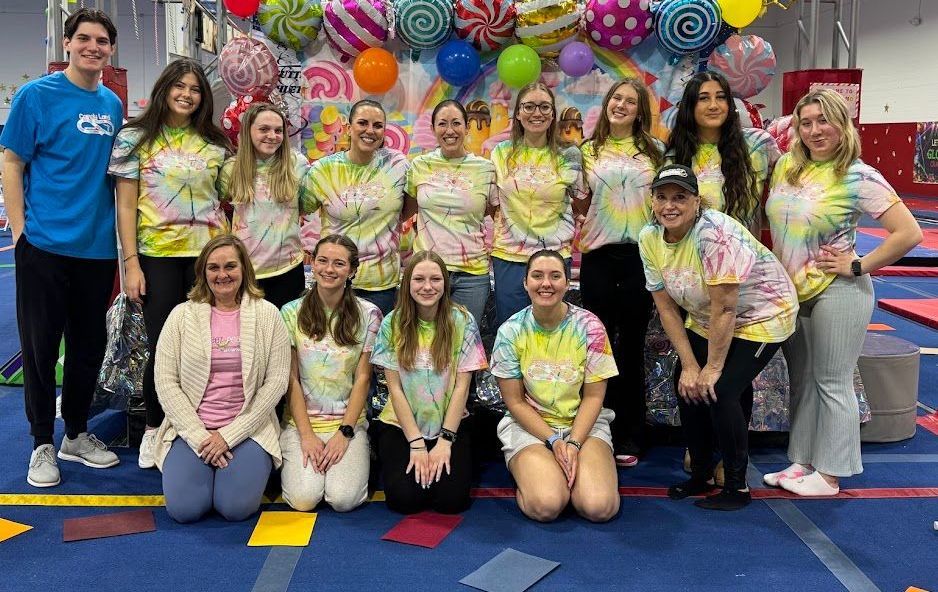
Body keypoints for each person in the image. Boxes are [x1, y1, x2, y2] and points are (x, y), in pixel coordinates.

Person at [764, 90, 922, 496]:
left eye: (823, 121)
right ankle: (802, 461)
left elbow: (909, 233)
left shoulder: (858, 175)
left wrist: (858, 264)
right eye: (806, 122)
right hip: (795, 293)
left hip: (840, 289)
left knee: (833, 381)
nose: (814, 130)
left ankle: (831, 474)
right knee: (802, 380)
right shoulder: (787, 167)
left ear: (842, 124)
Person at [1, 8, 123, 488]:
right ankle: (41, 443)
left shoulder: (113, 105)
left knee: (89, 347)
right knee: (39, 347)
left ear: (110, 50)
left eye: (102, 41)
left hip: (96, 249)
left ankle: (75, 432)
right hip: (44, 246)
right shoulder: (37, 96)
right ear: (67, 44)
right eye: (85, 39)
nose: (94, 47)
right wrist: (20, 233)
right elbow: (12, 162)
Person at [638, 164, 799, 510]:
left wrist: (711, 367)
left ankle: (737, 487)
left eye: (680, 197)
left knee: (721, 389)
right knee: (687, 386)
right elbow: (667, 309)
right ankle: (701, 473)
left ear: (697, 201)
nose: (670, 205)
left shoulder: (713, 234)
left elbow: (726, 309)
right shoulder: (649, 238)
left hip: (763, 313)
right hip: (705, 314)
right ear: (651, 200)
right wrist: (690, 365)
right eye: (662, 197)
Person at [110, 58, 231, 469]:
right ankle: (154, 427)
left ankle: (197, 424)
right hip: (157, 255)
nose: (187, 94)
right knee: (164, 347)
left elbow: (232, 193)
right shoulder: (135, 138)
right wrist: (131, 263)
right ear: (165, 88)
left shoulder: (215, 143)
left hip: (208, 259)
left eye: (195, 89)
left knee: (206, 347)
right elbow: (125, 205)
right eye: (180, 86)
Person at [153, 235, 290, 523]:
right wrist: (201, 436)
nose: (222, 274)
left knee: (235, 509)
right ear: (203, 272)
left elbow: (276, 381)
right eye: (213, 268)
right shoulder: (181, 316)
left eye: (230, 266)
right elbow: (165, 383)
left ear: (244, 270)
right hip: (194, 429)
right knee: (184, 510)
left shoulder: (268, 315)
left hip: (247, 428)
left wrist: (228, 436)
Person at [491, 250, 620, 523]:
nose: (545, 283)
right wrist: (552, 441)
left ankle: (566, 475)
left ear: (567, 282)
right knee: (546, 506)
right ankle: (539, 476)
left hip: (582, 425)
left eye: (555, 276)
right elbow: (514, 402)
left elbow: (594, 397)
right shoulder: (510, 332)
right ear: (525, 283)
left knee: (599, 508)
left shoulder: (590, 327)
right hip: (531, 427)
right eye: (537, 276)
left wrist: (572, 442)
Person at [579, 79, 665, 468]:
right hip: (598, 256)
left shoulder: (655, 152)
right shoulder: (586, 152)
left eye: (631, 101)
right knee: (596, 348)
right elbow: (580, 202)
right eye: (617, 98)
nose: (622, 105)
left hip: (638, 257)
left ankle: (632, 432)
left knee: (630, 347)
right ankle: (597, 427)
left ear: (640, 111)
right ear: (606, 103)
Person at [370, 251, 487, 514]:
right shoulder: (392, 323)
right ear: (407, 284)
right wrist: (416, 444)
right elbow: (395, 389)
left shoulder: (462, 321)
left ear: (445, 283)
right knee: (404, 501)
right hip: (402, 424)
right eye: (419, 279)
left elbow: (461, 387)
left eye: (435, 279)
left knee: (451, 502)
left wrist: (445, 441)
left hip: (449, 422)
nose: (427, 287)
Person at [278, 235, 382, 512]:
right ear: (312, 263)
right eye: (322, 261)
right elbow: (291, 380)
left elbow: (363, 379)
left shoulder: (369, 314)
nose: (329, 269)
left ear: (351, 270)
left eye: (339, 263)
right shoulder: (290, 312)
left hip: (346, 422)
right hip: (303, 423)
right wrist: (307, 435)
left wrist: (345, 432)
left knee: (343, 500)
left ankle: (359, 448)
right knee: (303, 499)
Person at [302, 99, 409, 316]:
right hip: (334, 282)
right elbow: (297, 211)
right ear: (349, 128)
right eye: (363, 123)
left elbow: (409, 208)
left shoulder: (398, 165)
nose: (370, 130)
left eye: (378, 125)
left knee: (373, 348)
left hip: (381, 286)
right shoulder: (323, 170)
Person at [489, 82, 583, 327]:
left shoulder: (569, 155)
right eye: (529, 107)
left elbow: (582, 201)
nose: (537, 113)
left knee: (550, 330)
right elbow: (492, 203)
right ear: (518, 113)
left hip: (554, 255)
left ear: (553, 114)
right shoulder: (501, 152)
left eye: (544, 107)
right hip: (509, 255)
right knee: (510, 330)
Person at [405, 100, 496, 326]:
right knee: (424, 344)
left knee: (463, 347)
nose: (450, 130)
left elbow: (493, 211)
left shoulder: (485, 169)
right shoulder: (419, 166)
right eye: (442, 124)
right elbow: (406, 210)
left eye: (456, 123)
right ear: (433, 129)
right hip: (427, 271)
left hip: (471, 275)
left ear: (467, 128)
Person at [219, 102, 310, 309]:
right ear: (248, 131)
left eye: (278, 130)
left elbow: (305, 205)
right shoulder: (231, 169)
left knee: (284, 336)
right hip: (246, 270)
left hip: (288, 269)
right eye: (264, 129)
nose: (272, 135)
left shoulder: (297, 164)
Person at [667, 71, 779, 233]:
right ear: (690, 106)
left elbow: (794, 190)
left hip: (745, 255)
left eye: (721, 97)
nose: (714, 105)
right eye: (704, 98)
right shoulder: (675, 154)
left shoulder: (758, 144)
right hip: (690, 255)